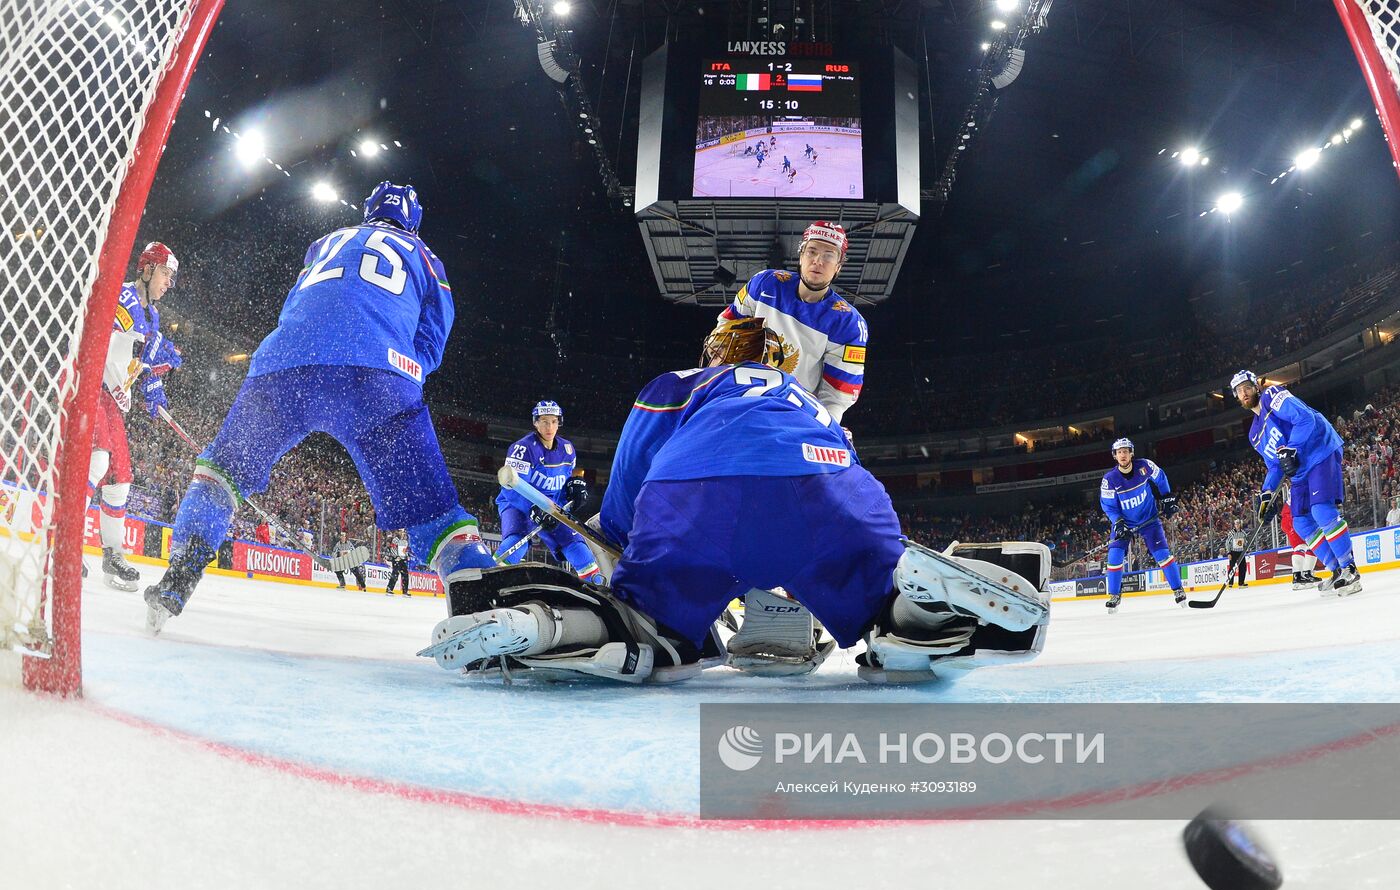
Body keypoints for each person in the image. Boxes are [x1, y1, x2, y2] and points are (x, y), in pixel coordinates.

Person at [420, 318, 1051, 685]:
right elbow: (850, 473)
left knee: (649, 635)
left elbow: (629, 486)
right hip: (826, 483)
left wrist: (617, 539)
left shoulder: (680, 383)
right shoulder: (800, 397)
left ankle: (540, 626)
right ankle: (914, 602)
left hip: (698, 498)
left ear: (716, 352)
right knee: (873, 607)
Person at [143, 181, 496, 632]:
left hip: (284, 364)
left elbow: (296, 303)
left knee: (222, 473)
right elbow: (434, 333)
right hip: (377, 373)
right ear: (414, 222)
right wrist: (408, 370)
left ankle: (177, 580)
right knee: (435, 513)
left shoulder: (326, 242)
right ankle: (477, 610)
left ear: (368, 211)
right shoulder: (426, 257)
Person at [88, 241, 183, 590]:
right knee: (97, 463)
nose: (168, 283)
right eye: (164, 273)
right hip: (91, 387)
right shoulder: (123, 297)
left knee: (121, 481)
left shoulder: (153, 316)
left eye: (171, 277)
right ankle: (62, 540)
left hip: (113, 401)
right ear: (146, 269)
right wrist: (144, 349)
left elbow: (140, 362)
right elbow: (102, 343)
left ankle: (112, 555)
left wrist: (152, 385)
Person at [716, 222, 866, 423]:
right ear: (801, 255)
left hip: (793, 417)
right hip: (740, 398)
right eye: (811, 251)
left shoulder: (848, 323)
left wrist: (822, 429)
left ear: (838, 266)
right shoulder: (764, 283)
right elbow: (725, 330)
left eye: (829, 255)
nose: (818, 261)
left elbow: (837, 395)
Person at [1232, 370, 1361, 596]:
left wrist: (1292, 448)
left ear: (1256, 387)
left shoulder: (1271, 395)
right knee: (1301, 522)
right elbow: (1274, 465)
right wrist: (1266, 495)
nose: (1244, 393)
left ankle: (1350, 569)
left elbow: (1304, 418)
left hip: (1319, 449)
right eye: (1239, 391)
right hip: (1300, 470)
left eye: (1247, 387)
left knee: (1321, 510)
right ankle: (1336, 571)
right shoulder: (1254, 434)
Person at [493, 401, 602, 583]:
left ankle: (599, 591)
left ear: (559, 422)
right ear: (535, 422)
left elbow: (562, 483)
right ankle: (489, 581)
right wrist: (533, 509)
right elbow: (511, 488)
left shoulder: (568, 450)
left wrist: (573, 490)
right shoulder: (522, 449)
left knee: (578, 549)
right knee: (516, 543)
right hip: (518, 504)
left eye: (553, 421)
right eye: (544, 421)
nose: (549, 426)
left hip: (550, 506)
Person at [1097, 437, 1186, 612]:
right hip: (1125, 524)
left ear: (1131, 453)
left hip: (1149, 520)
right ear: (1115, 456)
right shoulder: (1109, 479)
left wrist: (1167, 498)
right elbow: (1109, 506)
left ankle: (1178, 590)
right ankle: (1115, 595)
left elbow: (1160, 478)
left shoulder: (1144, 466)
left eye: (1125, 451)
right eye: (1119, 452)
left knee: (1163, 555)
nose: (1123, 455)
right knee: (1114, 558)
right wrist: (1119, 523)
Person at [1279, 487, 1321, 589]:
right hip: (1293, 517)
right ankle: (1298, 577)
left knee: (1312, 545)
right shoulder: (1304, 482)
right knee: (1301, 546)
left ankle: (1306, 575)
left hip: (1294, 516)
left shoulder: (1300, 481)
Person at [1225, 519, 1249, 589]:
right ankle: (1230, 583)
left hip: (1241, 552)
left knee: (1243, 567)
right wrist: (1229, 552)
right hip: (1233, 552)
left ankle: (1241, 583)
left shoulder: (1243, 533)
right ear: (1234, 525)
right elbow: (1227, 543)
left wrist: (1246, 550)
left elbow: (1245, 543)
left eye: (1239, 524)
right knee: (1232, 568)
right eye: (1236, 524)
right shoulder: (1231, 533)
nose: (1237, 525)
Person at [386, 531, 411, 596]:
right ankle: (389, 589)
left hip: (403, 559)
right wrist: (396, 556)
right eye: (401, 532)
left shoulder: (405, 541)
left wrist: (407, 556)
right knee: (395, 573)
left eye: (403, 532)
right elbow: (393, 549)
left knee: (405, 574)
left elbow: (405, 550)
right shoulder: (395, 540)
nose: (402, 533)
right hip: (397, 559)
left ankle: (405, 591)